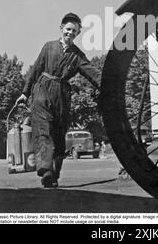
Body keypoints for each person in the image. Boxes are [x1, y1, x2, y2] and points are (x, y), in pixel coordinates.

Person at [16, 13, 101, 188]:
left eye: (74, 31)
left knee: (59, 137)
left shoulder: (78, 56)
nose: (70, 33)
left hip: (62, 96)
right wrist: (25, 93)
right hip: (42, 92)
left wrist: (108, 84)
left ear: (77, 34)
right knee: (43, 131)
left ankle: (54, 175)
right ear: (61, 28)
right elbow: (35, 69)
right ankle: (45, 170)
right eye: (68, 29)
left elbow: (93, 73)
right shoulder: (48, 47)